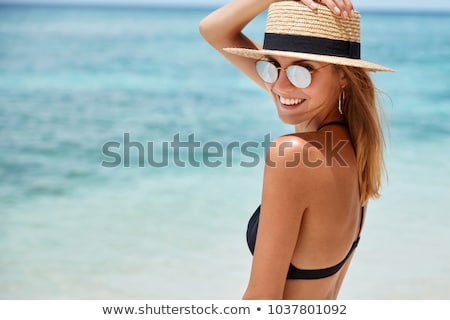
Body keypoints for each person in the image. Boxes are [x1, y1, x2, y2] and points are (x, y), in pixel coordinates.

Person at [199, 0, 394, 300]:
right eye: (271, 66)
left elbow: (262, 299)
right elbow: (213, 31)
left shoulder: (293, 155)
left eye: (302, 72)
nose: (281, 87)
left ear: (343, 75)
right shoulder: (354, 147)